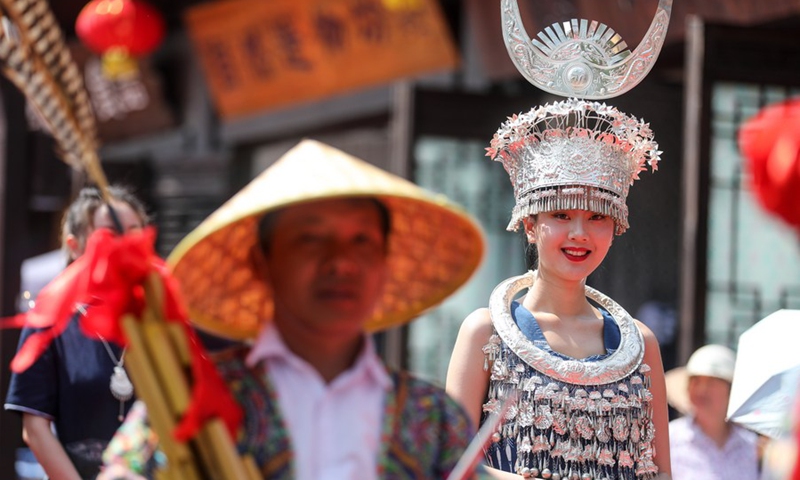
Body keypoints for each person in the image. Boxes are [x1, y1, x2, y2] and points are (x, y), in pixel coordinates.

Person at [103, 139, 487, 479]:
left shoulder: (432, 417)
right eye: (311, 239)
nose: (341, 262)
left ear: (385, 262)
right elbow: (124, 471)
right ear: (261, 261)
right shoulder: (194, 395)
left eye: (362, 240)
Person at [445, 98, 671, 479]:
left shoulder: (640, 345)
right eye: (561, 214)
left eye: (597, 217)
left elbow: (662, 472)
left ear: (615, 229)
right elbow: (447, 463)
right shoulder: (487, 334)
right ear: (530, 225)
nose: (579, 234)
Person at [4, 185, 149, 480]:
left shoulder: (159, 318)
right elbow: (35, 428)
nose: (126, 243)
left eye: (135, 230)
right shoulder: (51, 320)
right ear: (75, 245)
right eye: (111, 232)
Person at [665, 344, 760, 479]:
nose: (701, 390)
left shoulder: (750, 446)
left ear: (730, 391)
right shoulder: (669, 440)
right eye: (696, 381)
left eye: (711, 382)